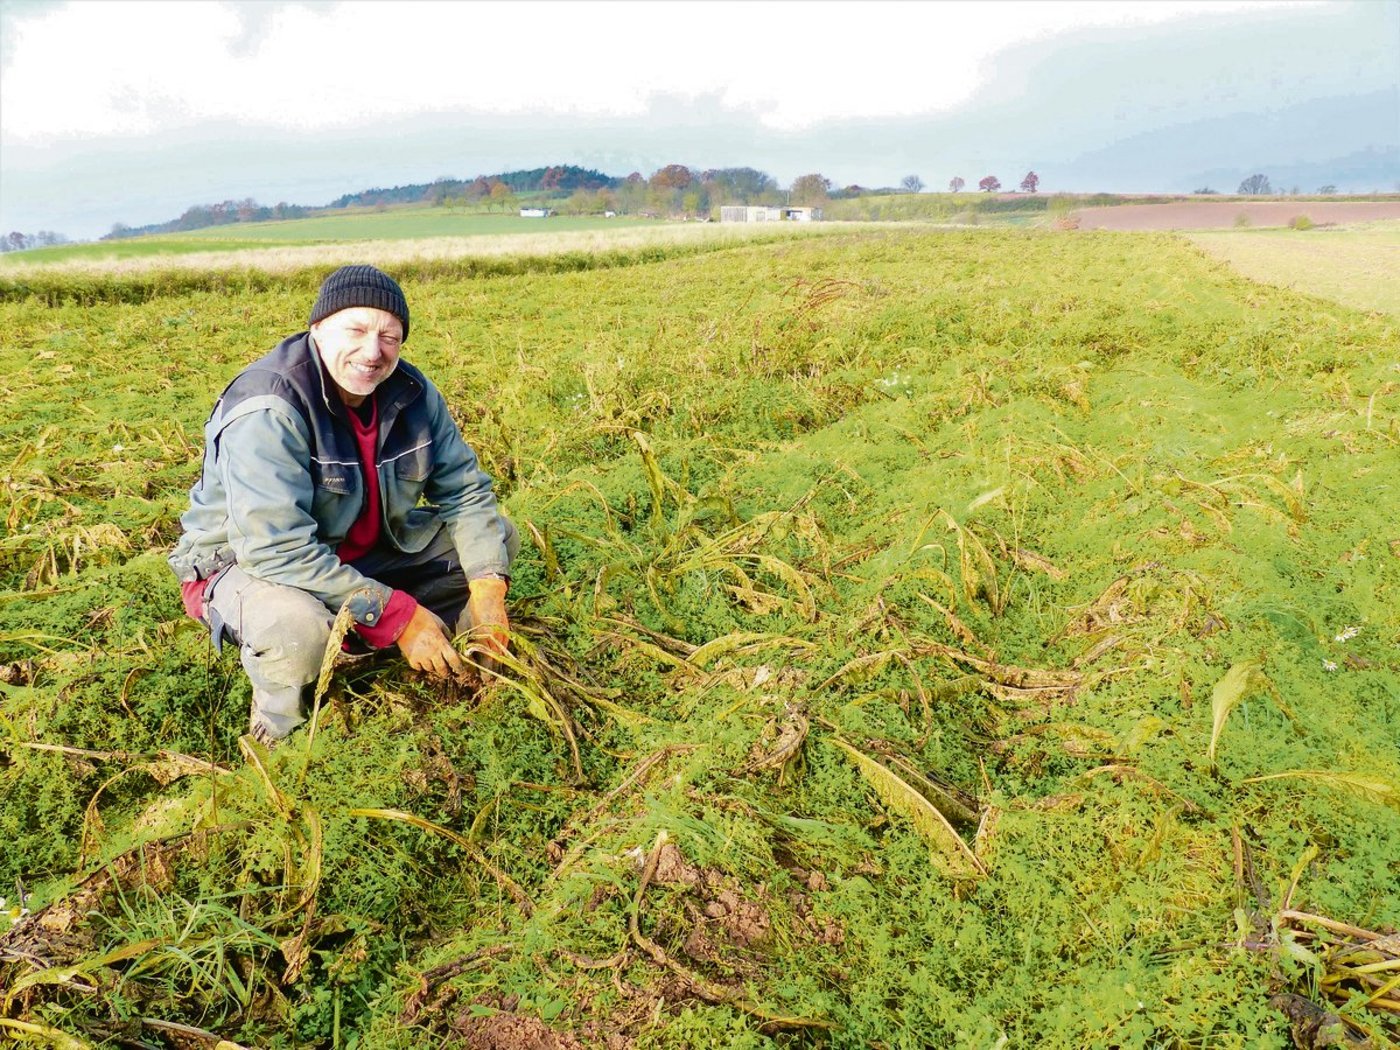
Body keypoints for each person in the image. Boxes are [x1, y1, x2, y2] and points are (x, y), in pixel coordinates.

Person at [169, 265, 517, 745]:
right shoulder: (270, 407)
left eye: (389, 336)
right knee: (298, 629)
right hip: (246, 565)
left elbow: (465, 493)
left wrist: (488, 592)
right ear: (317, 328)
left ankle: (459, 661)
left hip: (356, 551)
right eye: (355, 329)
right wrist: (396, 614)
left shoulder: (413, 394)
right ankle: (279, 737)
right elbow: (277, 551)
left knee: (493, 542)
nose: (373, 352)